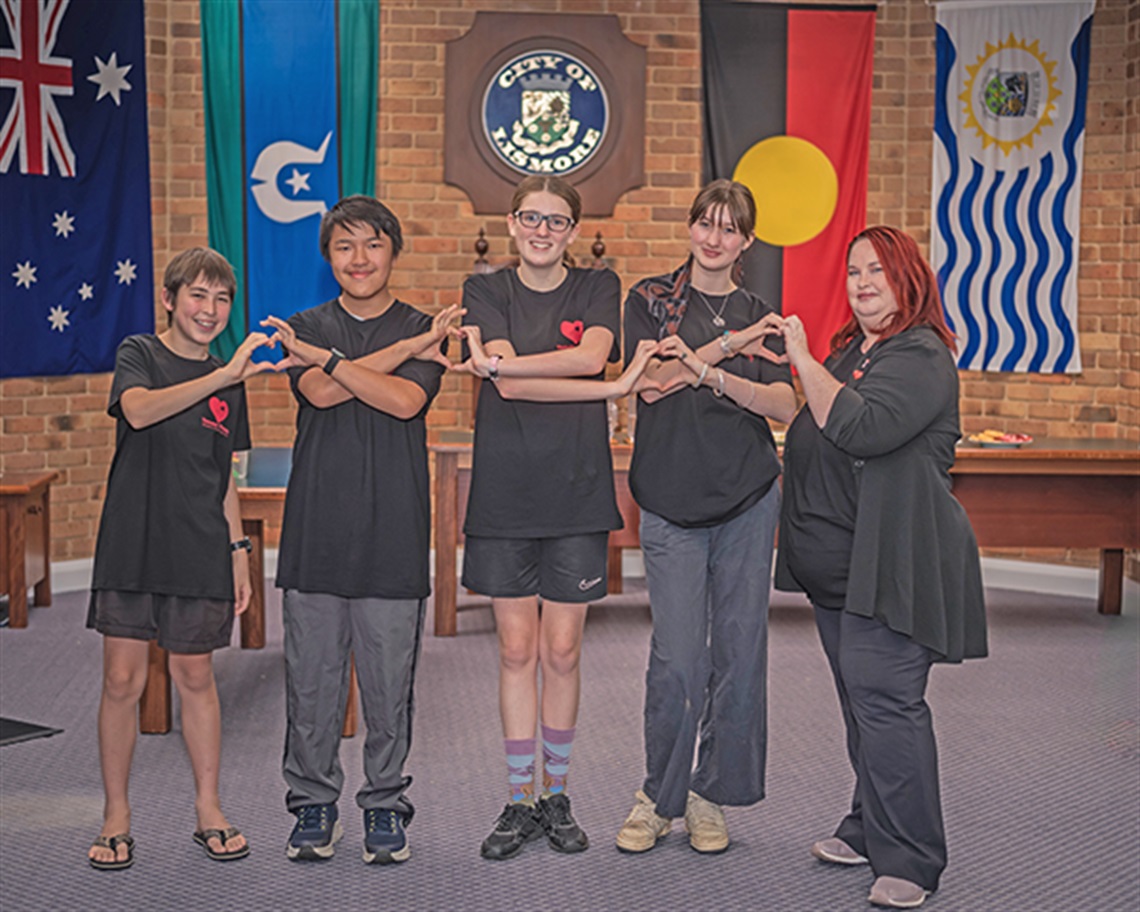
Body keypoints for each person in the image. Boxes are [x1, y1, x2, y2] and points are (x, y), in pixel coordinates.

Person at [774, 226, 987, 909]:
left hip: (894, 563)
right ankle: (869, 825)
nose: (864, 283)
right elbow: (809, 416)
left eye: (879, 272)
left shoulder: (921, 355)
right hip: (840, 568)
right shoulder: (851, 351)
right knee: (860, 704)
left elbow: (859, 428)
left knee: (889, 707)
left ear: (908, 280)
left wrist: (803, 358)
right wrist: (723, 376)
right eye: (855, 270)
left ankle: (913, 858)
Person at [262, 195, 458, 865]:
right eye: (344, 247)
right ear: (329, 257)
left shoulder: (425, 326)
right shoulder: (303, 325)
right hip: (316, 530)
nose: (359, 259)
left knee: (386, 685)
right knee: (311, 683)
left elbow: (406, 402)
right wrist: (381, 360)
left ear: (392, 252)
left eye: (372, 245)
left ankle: (384, 805)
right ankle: (313, 803)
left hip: (393, 532)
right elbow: (316, 394)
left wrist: (337, 362)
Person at [613, 179, 797, 856]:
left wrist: (715, 372)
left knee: (740, 655)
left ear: (746, 241)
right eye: (705, 224)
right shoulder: (651, 300)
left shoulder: (760, 311)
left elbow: (785, 407)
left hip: (748, 500)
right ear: (690, 228)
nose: (714, 238)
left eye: (729, 229)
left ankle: (709, 794)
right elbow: (652, 387)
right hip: (669, 503)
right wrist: (728, 347)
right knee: (679, 658)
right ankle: (657, 797)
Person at [455, 175, 630, 861]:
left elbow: (589, 357)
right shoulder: (485, 289)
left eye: (556, 221)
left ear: (573, 231)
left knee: (561, 651)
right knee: (516, 650)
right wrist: (584, 381)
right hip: (504, 494)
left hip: (577, 492)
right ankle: (518, 797)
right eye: (531, 217)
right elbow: (561, 369)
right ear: (511, 222)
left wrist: (507, 369)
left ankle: (557, 795)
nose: (542, 230)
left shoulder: (597, 287)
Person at [86, 247, 275, 869]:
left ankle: (209, 807)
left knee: (197, 678)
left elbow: (224, 477)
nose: (210, 309)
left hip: (199, 545)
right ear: (169, 299)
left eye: (222, 299)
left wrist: (239, 551)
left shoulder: (230, 380)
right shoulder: (140, 353)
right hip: (133, 539)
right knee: (123, 681)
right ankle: (117, 814)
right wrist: (223, 377)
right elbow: (138, 411)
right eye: (197, 295)